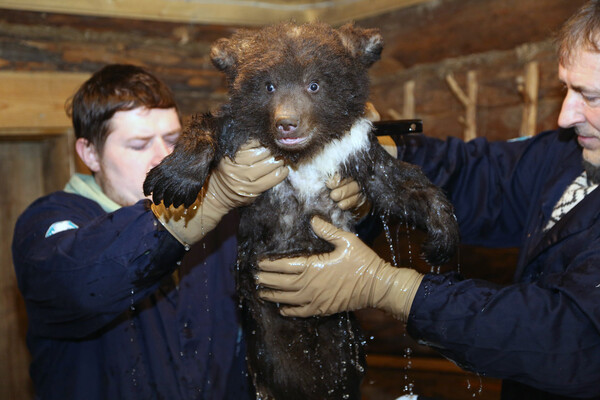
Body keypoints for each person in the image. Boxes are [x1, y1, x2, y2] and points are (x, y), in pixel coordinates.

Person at [255, 2, 600, 399]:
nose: (565, 115)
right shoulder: (565, 155)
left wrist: (391, 289)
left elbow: (571, 336)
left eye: (588, 96)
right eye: (566, 88)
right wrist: (377, 152)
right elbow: (479, 175)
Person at [11, 64, 365, 400]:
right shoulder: (51, 221)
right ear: (89, 153)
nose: (162, 157)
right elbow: (78, 284)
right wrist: (206, 203)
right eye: (138, 144)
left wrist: (349, 200)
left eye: (171, 139)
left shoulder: (218, 224)